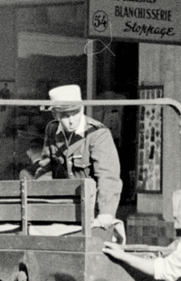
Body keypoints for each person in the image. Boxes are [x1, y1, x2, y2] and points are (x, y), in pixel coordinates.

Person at [32, 84, 122, 228]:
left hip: (93, 213)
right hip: (63, 211)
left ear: (82, 109)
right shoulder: (52, 130)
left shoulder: (97, 133)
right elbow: (46, 171)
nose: (72, 120)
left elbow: (108, 176)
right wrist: (37, 205)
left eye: (75, 113)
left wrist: (106, 212)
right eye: (66, 116)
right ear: (55, 114)